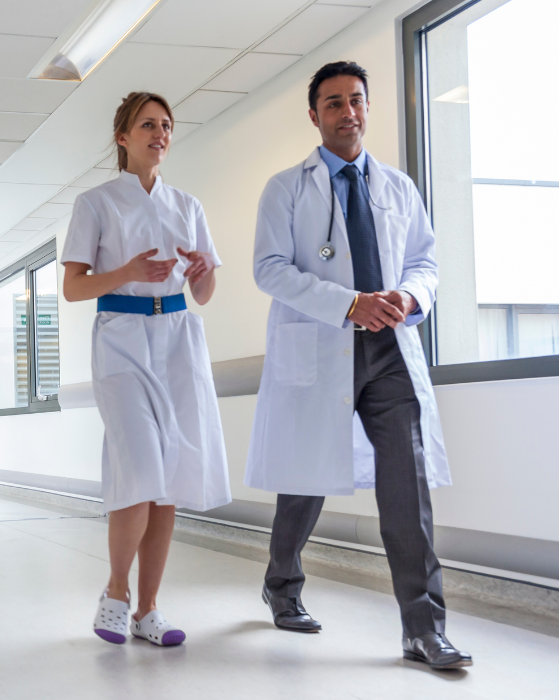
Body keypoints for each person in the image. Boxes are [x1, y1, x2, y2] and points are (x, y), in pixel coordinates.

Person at [246, 61, 471, 669]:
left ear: (367, 108)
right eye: (334, 102)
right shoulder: (287, 188)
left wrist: (408, 296)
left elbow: (425, 261)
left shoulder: (397, 187)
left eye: (356, 100)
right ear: (315, 114)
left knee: (408, 488)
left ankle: (423, 628)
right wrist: (349, 303)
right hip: (322, 346)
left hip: (390, 350)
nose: (348, 112)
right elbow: (270, 268)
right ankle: (281, 584)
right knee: (306, 479)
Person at [62, 92, 230, 647]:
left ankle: (149, 609)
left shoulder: (188, 205)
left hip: (179, 338)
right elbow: (73, 287)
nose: (159, 133)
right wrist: (127, 270)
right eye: (147, 125)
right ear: (123, 137)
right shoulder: (96, 202)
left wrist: (203, 271)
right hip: (122, 339)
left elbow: (203, 293)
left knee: (170, 479)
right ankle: (115, 592)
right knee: (138, 466)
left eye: (166, 125)